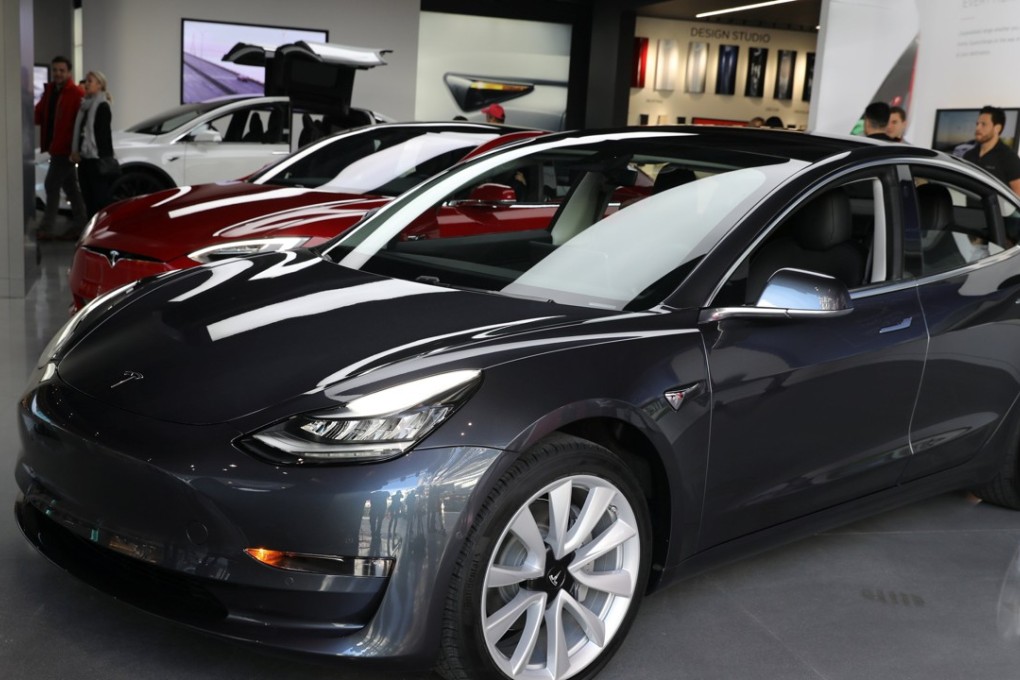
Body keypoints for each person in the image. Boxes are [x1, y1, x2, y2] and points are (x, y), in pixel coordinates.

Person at [34, 55, 87, 239]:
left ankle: (47, 227)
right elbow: (38, 115)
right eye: (55, 70)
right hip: (56, 147)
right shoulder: (50, 91)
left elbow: (81, 124)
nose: (58, 73)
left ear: (69, 72)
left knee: (51, 184)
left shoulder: (76, 94)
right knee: (70, 187)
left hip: (66, 149)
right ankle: (82, 224)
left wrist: (75, 149)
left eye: (61, 70)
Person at [71, 70, 115, 219]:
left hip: (96, 159)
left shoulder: (102, 106)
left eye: (90, 81)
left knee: (99, 200)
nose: (86, 84)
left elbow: (103, 136)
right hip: (84, 159)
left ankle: (102, 232)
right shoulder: (85, 106)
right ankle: (91, 231)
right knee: (88, 200)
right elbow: (80, 131)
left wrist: (102, 158)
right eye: (87, 80)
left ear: (100, 85)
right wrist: (75, 150)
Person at [963, 105, 1020, 196]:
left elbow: (1018, 196)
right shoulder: (968, 155)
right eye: (977, 124)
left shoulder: (1009, 157)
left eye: (983, 124)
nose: (978, 128)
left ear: (997, 128)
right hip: (968, 210)